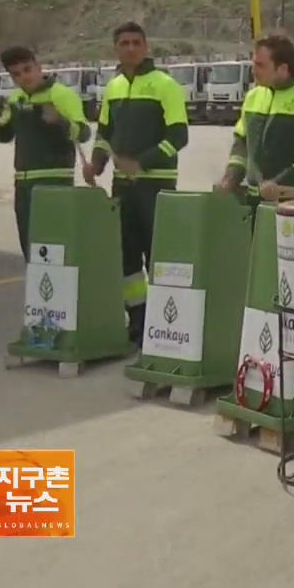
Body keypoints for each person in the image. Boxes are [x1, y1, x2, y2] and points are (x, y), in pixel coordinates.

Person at [84, 22, 189, 345]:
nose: (130, 48)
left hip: (155, 186)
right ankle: (138, 319)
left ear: (145, 47)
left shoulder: (165, 85)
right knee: (126, 257)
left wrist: (141, 161)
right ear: (115, 48)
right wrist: (96, 163)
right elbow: (105, 134)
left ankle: (164, 322)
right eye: (124, 43)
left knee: (157, 255)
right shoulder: (113, 87)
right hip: (122, 188)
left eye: (136, 42)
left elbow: (179, 136)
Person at [0, 46, 91, 260]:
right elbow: (3, 133)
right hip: (23, 185)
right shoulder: (15, 100)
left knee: (56, 248)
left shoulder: (62, 95)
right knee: (30, 248)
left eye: (27, 69)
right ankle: (38, 290)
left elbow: (83, 133)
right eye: (16, 74)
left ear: (39, 67)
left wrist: (60, 122)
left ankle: (60, 291)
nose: (23, 77)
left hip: (55, 181)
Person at [217, 34, 294, 217]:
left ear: (283, 69)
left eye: (260, 65)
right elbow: (241, 144)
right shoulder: (253, 97)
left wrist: (280, 184)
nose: (253, 71)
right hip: (254, 203)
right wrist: (231, 178)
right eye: (253, 64)